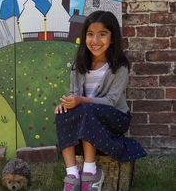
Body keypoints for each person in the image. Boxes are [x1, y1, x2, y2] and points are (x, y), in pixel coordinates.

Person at [55, 10, 146, 191]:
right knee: (61, 114)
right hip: (87, 113)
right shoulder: (78, 66)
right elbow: (74, 93)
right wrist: (67, 103)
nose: (95, 41)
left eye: (102, 35)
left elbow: (111, 101)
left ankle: (90, 171)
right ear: (84, 37)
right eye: (90, 34)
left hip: (115, 118)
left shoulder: (119, 68)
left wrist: (80, 100)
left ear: (112, 39)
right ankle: (72, 174)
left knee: (88, 110)